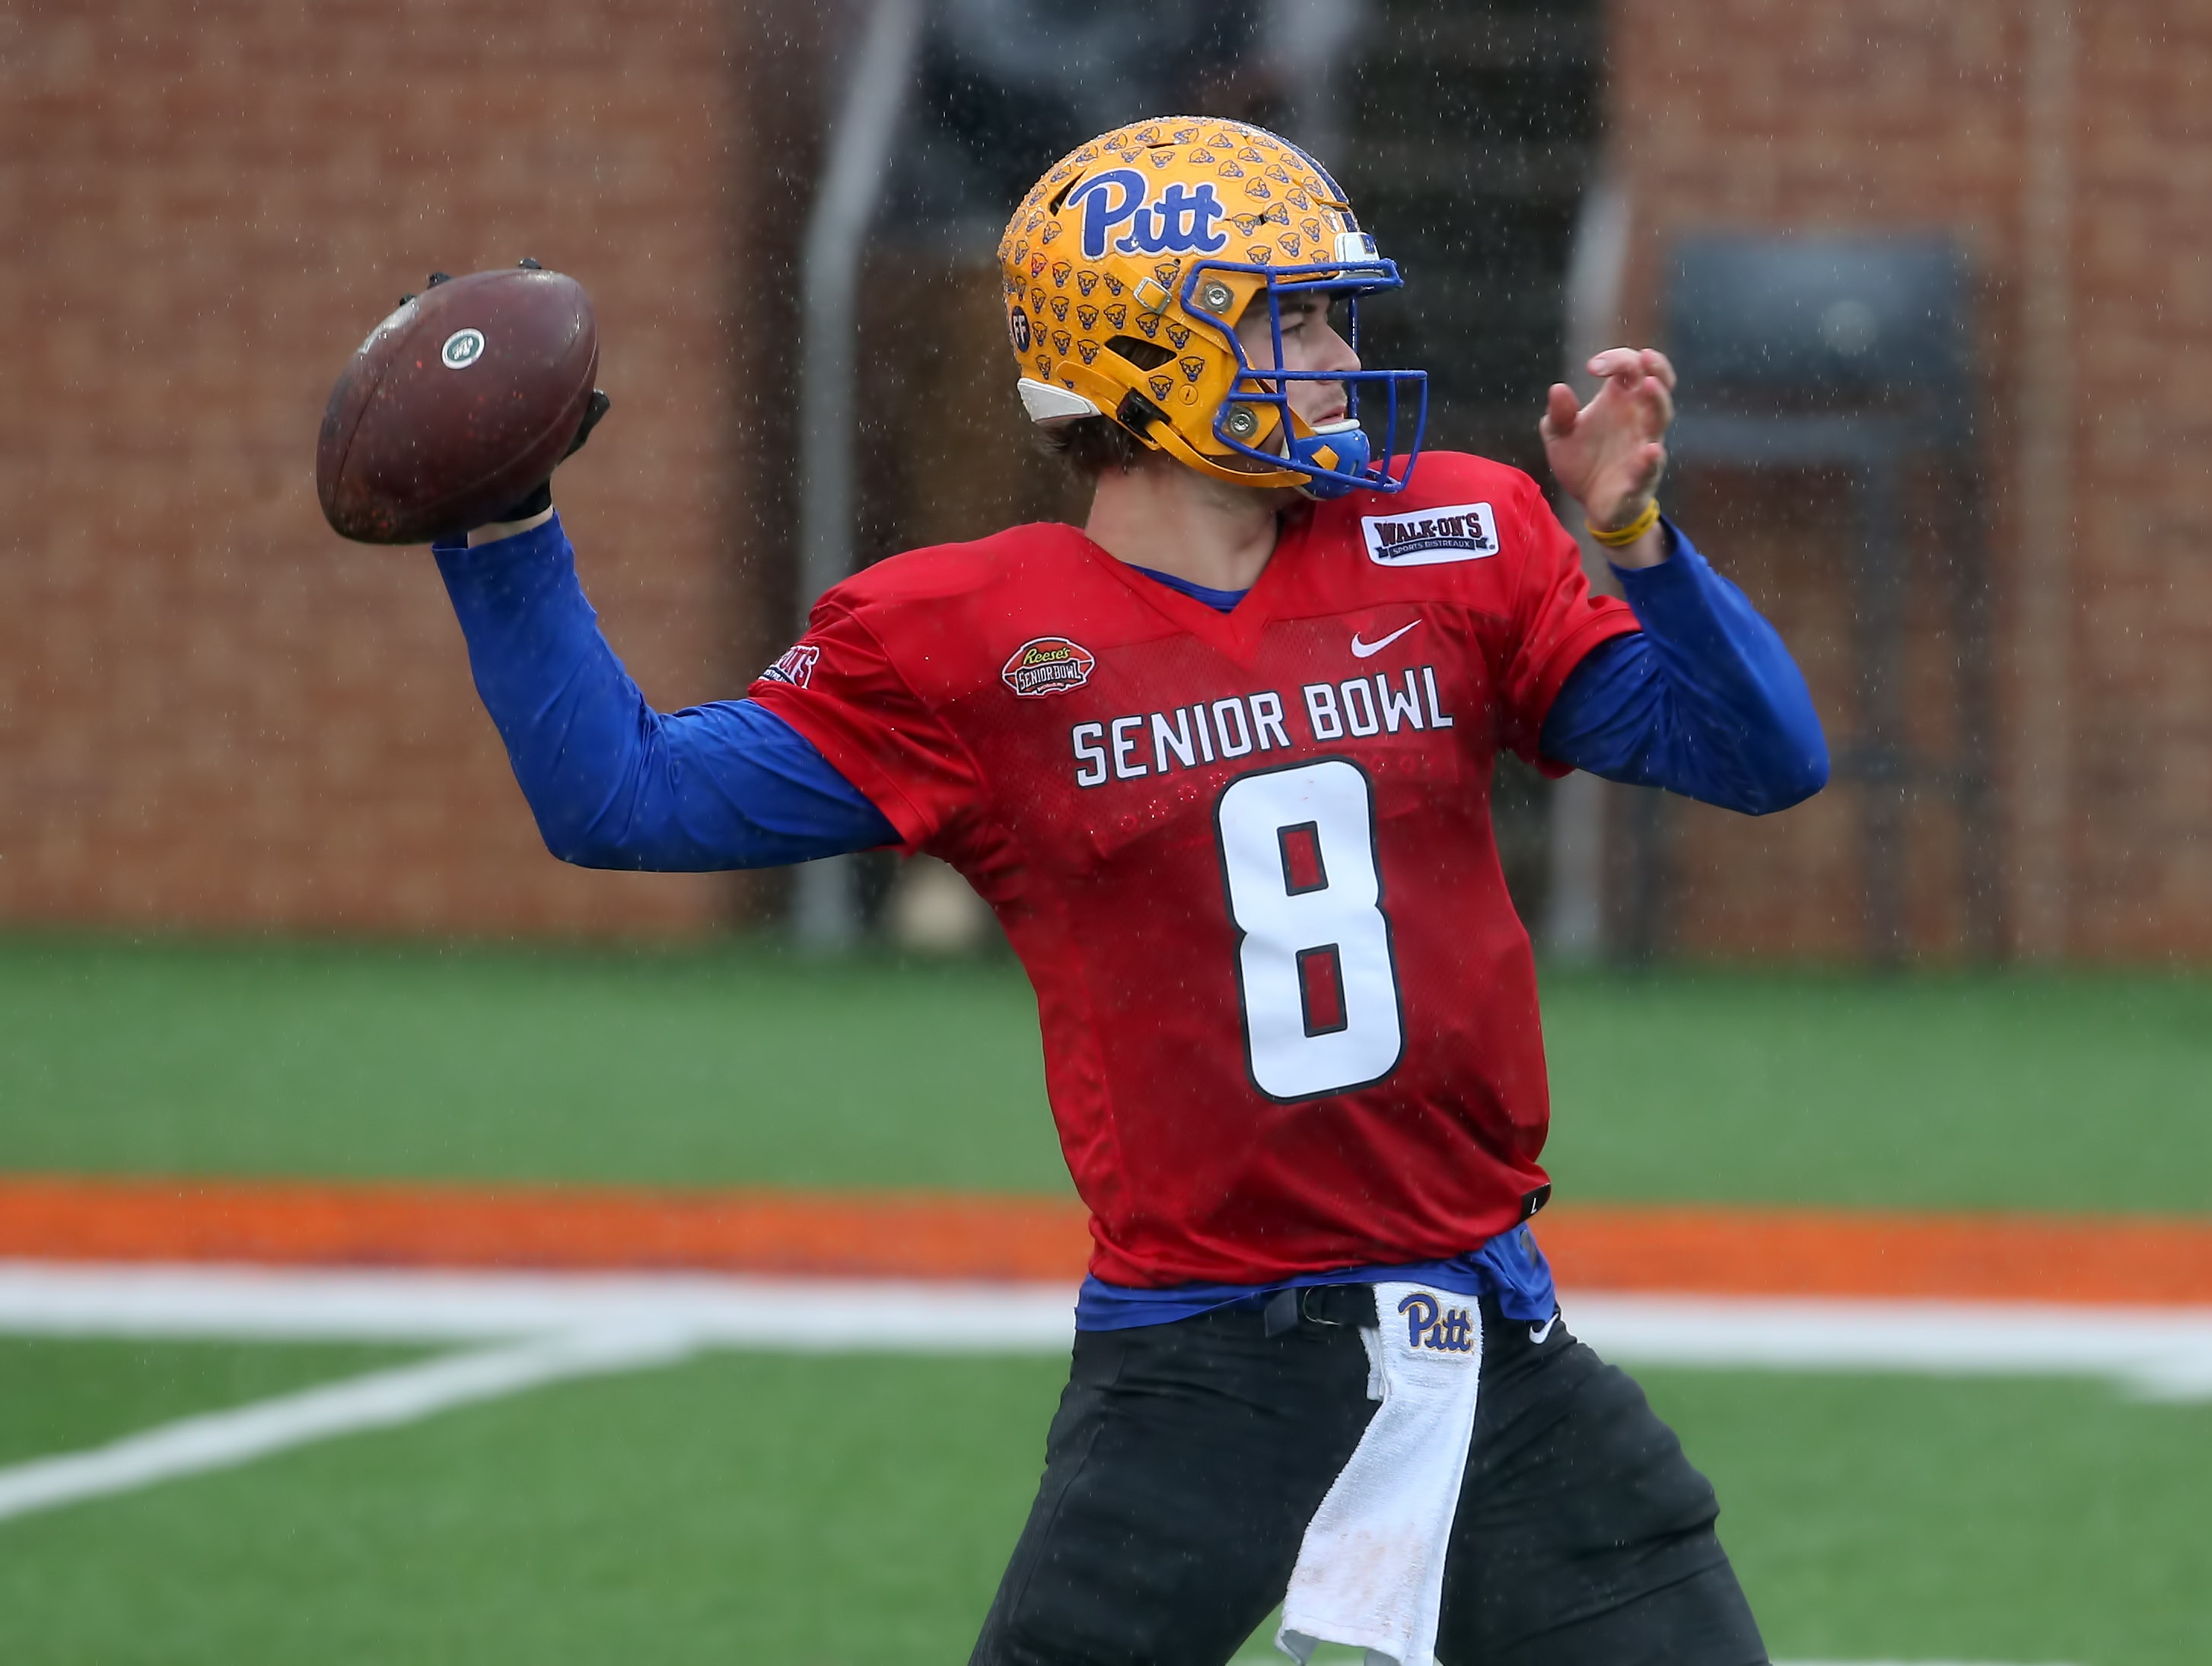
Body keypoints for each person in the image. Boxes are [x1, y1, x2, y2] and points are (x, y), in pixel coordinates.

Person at [433, 117, 1825, 1666]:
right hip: (1202, 1365)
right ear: (1146, 351)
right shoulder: (967, 637)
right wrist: (505, 535)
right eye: (1284, 316)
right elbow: (622, 801)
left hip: (1485, 1332)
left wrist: (1635, 541)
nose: (1332, 353)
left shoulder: (1453, 534)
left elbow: (1759, 758)